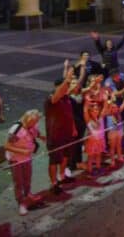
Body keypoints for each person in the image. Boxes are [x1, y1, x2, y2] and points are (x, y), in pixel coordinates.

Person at [4, 109, 44, 215]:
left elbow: (36, 133)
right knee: (18, 182)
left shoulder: (32, 126)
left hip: (27, 158)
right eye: (34, 122)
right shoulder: (16, 129)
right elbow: (7, 146)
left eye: (36, 122)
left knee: (27, 178)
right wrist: (23, 151)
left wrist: (42, 137)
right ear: (28, 119)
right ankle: (21, 203)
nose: (35, 124)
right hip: (16, 160)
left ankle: (28, 195)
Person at [45, 64, 77, 195]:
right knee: (54, 160)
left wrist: (73, 128)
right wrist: (67, 80)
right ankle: (53, 183)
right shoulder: (52, 99)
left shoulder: (67, 98)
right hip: (55, 135)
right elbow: (57, 95)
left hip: (67, 133)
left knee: (65, 157)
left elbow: (70, 115)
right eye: (64, 87)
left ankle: (62, 176)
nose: (66, 89)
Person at [83, 100, 108, 176]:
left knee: (98, 155)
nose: (96, 111)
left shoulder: (99, 118)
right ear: (90, 111)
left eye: (97, 109)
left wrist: (105, 99)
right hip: (92, 142)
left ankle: (98, 168)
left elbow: (105, 107)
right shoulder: (88, 120)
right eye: (94, 110)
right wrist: (87, 102)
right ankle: (90, 172)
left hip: (100, 141)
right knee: (90, 157)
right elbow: (85, 111)